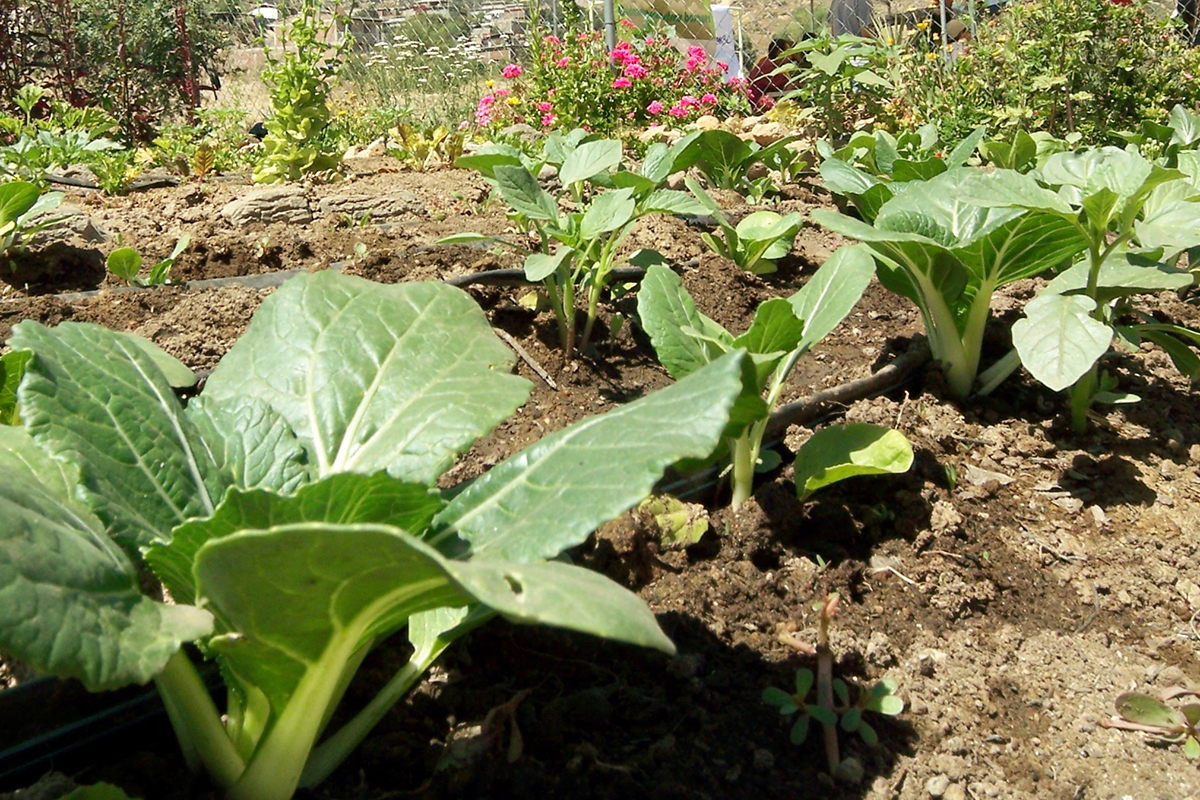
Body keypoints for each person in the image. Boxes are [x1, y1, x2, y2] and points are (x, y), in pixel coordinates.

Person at [748, 38, 795, 108]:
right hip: (759, 105)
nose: (791, 57)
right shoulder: (770, 68)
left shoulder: (764, 61)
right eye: (789, 53)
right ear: (779, 53)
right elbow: (788, 87)